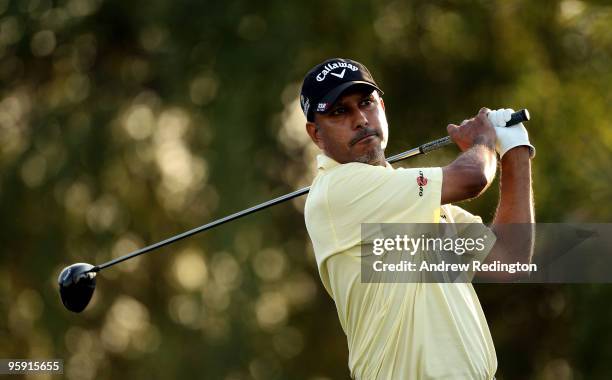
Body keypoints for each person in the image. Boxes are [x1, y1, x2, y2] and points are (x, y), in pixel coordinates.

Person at [300, 58, 535, 379]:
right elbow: (472, 177)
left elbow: (510, 260)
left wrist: (516, 150)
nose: (360, 119)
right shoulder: (336, 191)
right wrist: (483, 140)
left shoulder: (415, 196)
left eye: (366, 103)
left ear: (381, 107)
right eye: (340, 112)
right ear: (315, 133)